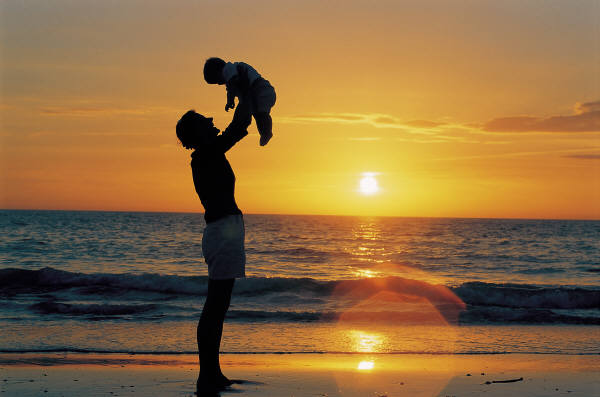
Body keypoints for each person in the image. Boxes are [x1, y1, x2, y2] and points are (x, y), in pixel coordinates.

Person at [176, 101, 251, 393]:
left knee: (217, 306)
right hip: (222, 234)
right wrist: (246, 95)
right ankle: (207, 375)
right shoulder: (207, 153)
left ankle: (212, 372)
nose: (210, 118)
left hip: (224, 233)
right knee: (215, 307)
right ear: (199, 133)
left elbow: (235, 130)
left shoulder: (208, 153)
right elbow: (236, 129)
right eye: (203, 119)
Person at [203, 57, 276, 146]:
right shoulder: (231, 75)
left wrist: (230, 101)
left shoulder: (228, 69)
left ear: (218, 70)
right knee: (258, 115)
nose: (219, 83)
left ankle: (266, 132)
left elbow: (232, 87)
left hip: (261, 89)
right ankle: (264, 133)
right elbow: (232, 88)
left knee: (261, 114)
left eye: (217, 80)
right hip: (255, 94)